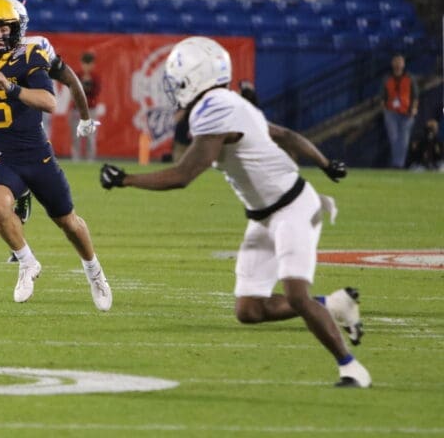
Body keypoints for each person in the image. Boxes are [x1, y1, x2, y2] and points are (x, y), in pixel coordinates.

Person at [99, 36, 370, 388]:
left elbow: (183, 175)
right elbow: (284, 134)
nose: (175, 87)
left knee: (297, 296)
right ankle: (335, 305)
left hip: (292, 208)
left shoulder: (216, 108)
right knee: (249, 310)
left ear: (194, 78)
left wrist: (126, 180)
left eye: (179, 80)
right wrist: (325, 163)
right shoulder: (229, 103)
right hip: (264, 216)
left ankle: (351, 368)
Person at [0, 0, 111, 311]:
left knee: (68, 222)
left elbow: (49, 102)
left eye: (3, 28)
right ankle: (27, 262)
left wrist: (10, 87)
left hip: (36, 154)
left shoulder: (31, 55)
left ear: (16, 28)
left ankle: (94, 271)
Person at [2, 0, 98, 262]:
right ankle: (18, 238)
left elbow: (69, 78)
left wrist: (85, 118)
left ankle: (24, 202)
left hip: (28, 122)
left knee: (34, 176)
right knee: (0, 192)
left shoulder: (37, 47)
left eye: (6, 27)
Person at [382, 53, 418, 168]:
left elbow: (415, 95)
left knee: (404, 139)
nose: (398, 64)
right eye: (396, 61)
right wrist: (384, 110)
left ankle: (399, 165)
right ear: (392, 63)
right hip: (391, 112)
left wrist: (414, 108)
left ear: (403, 64)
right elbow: (382, 96)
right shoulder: (387, 78)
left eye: (400, 61)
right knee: (393, 138)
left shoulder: (410, 78)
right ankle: (396, 163)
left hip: (406, 112)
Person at [70, 51, 102, 161]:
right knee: (76, 136)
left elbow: (96, 92)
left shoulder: (95, 77)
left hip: (90, 110)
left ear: (93, 64)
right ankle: (76, 159)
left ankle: (90, 160)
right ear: (82, 63)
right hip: (77, 109)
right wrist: (83, 85)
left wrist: (88, 85)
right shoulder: (77, 76)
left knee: (90, 137)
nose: (87, 66)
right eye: (85, 63)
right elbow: (73, 91)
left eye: (90, 63)